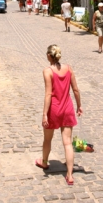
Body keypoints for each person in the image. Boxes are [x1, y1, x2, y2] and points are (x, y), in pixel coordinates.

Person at [35, 45, 83, 186]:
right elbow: (75, 89)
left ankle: (44, 162)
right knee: (67, 143)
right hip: (67, 108)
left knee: (47, 139)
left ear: (49, 56)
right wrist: (79, 106)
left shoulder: (47, 71)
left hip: (54, 110)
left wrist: (44, 114)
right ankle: (69, 175)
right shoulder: (68, 68)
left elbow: (48, 94)